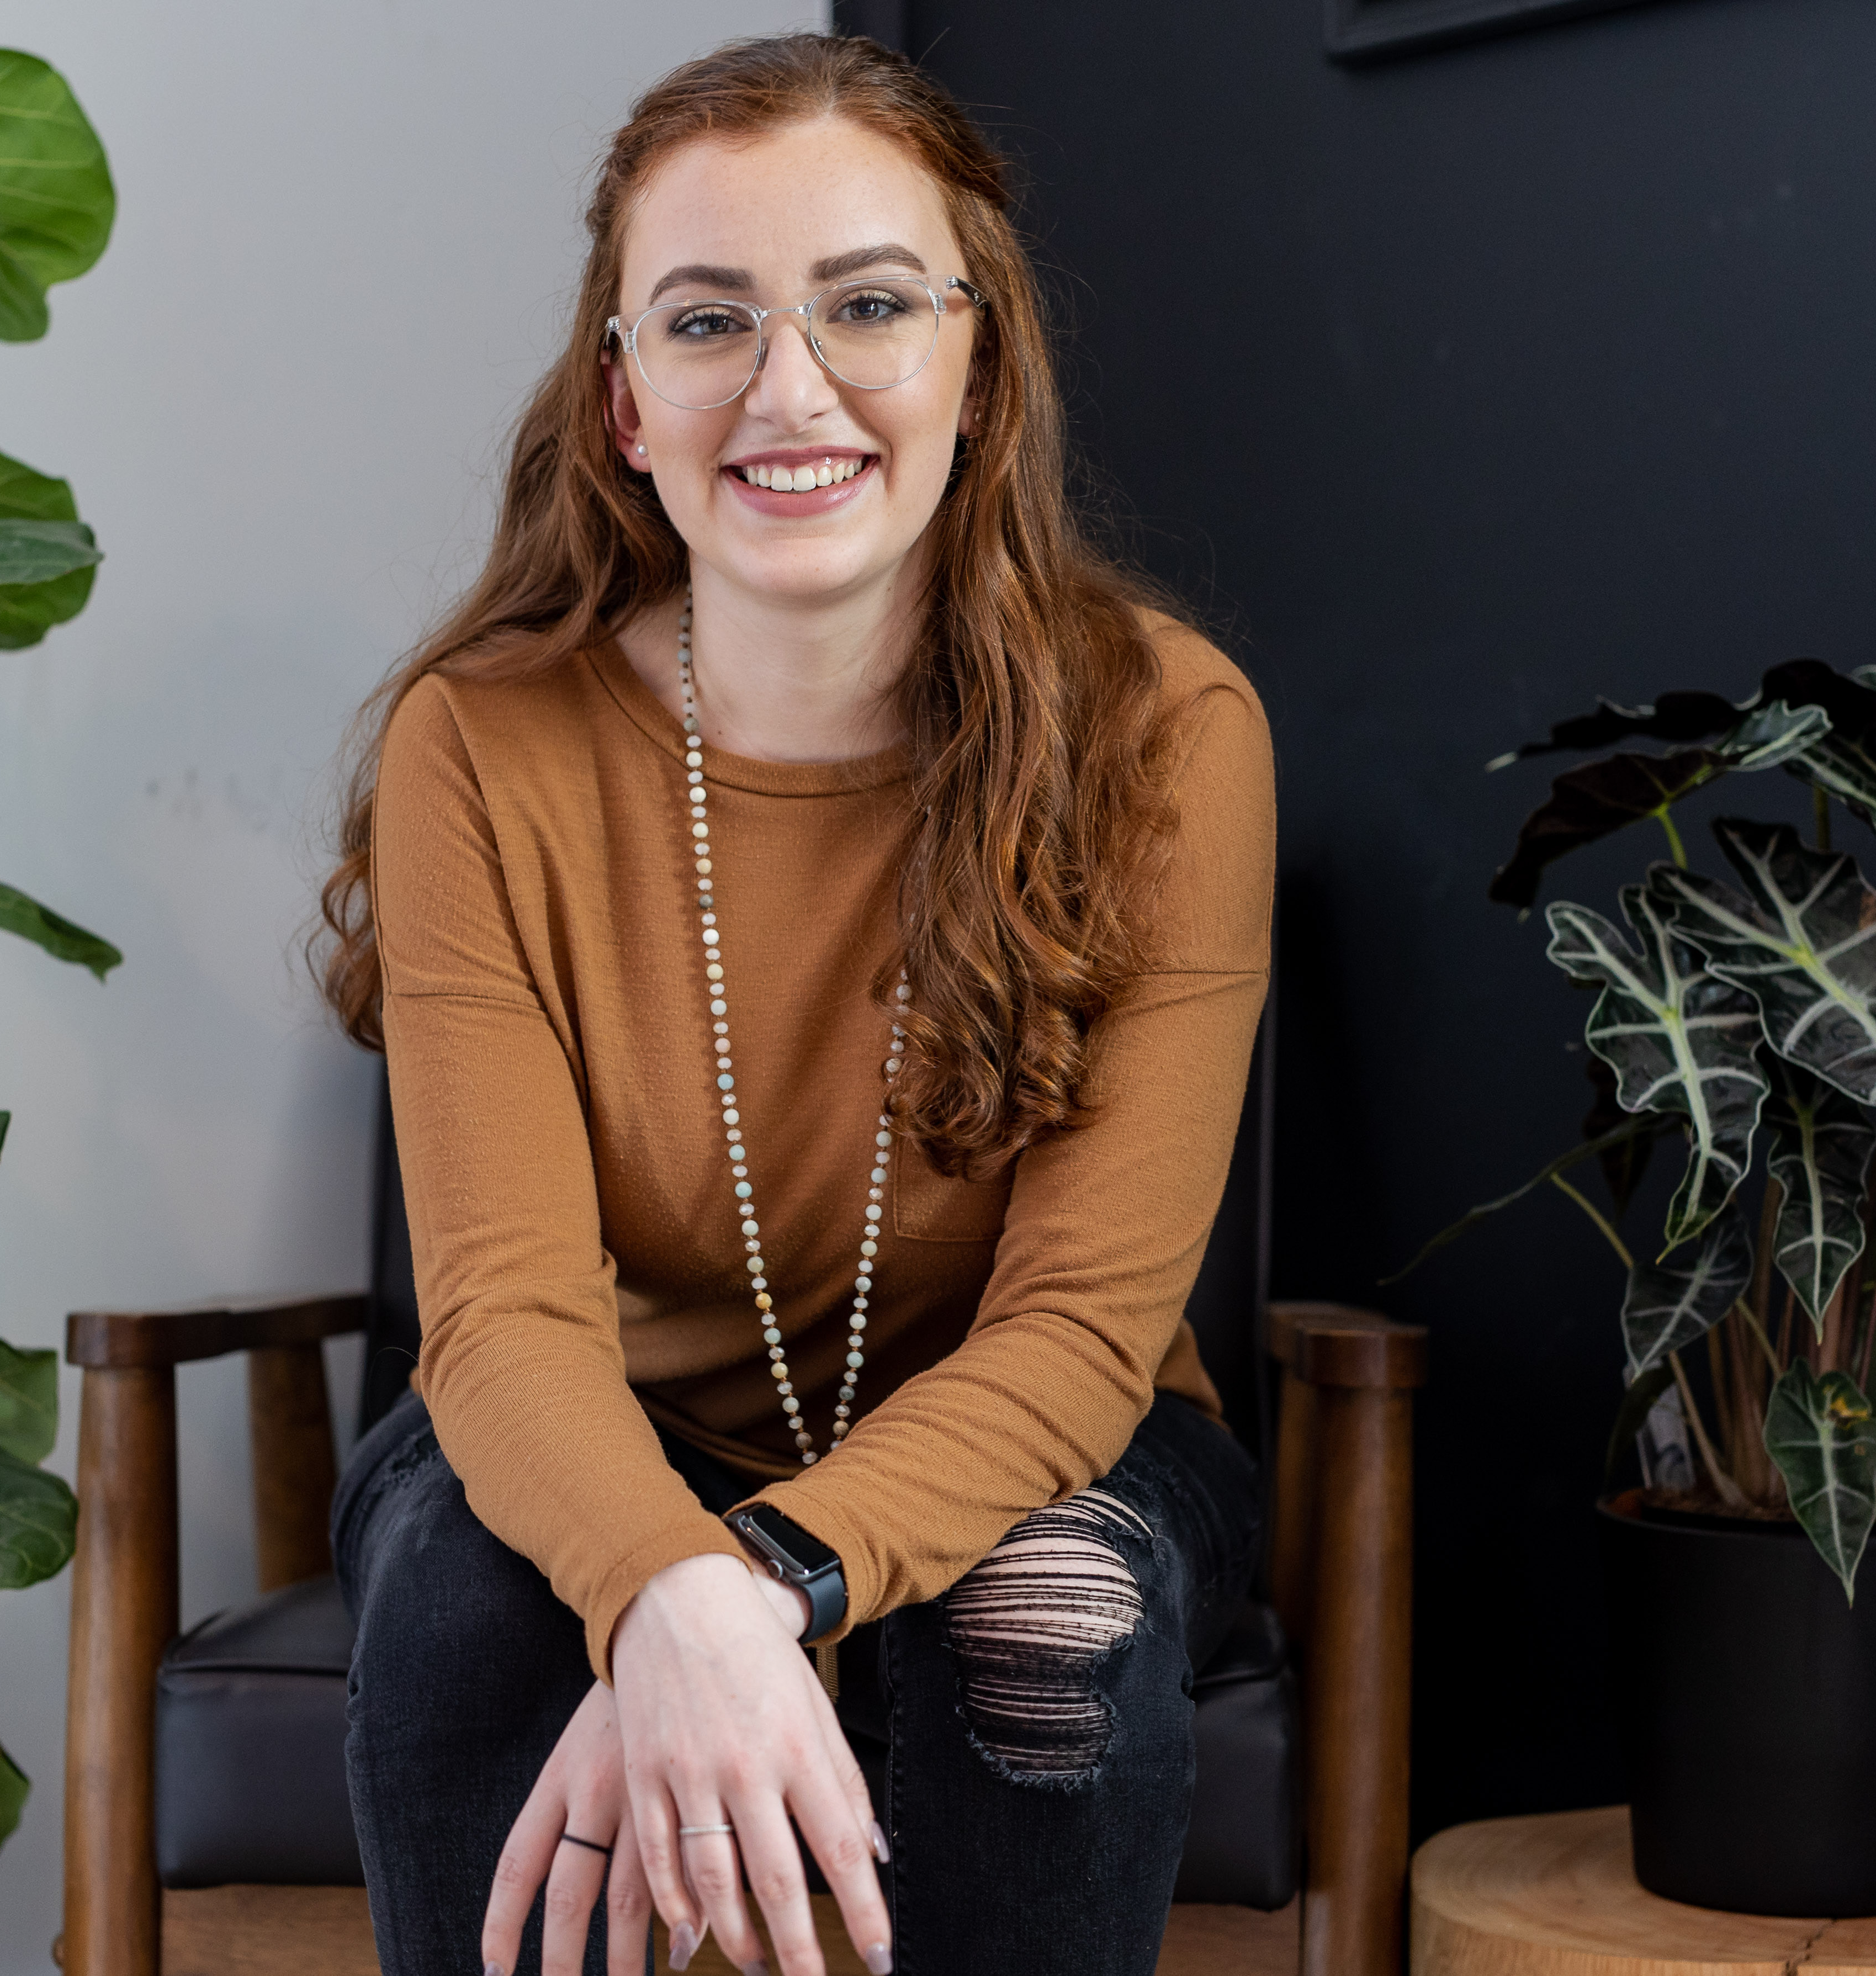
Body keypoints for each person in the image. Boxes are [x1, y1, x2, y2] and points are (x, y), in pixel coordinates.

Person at [315, 33, 1273, 1976]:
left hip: (1033, 1438)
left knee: (1050, 1620)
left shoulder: (1171, 728)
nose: (790, 387)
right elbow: (495, 1313)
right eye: (706, 322)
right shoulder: (476, 747)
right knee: (465, 1608)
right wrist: (656, 1573)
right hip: (592, 1422)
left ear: (978, 363)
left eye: (864, 306)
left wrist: (756, 1583)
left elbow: (1086, 1325)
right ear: (621, 406)